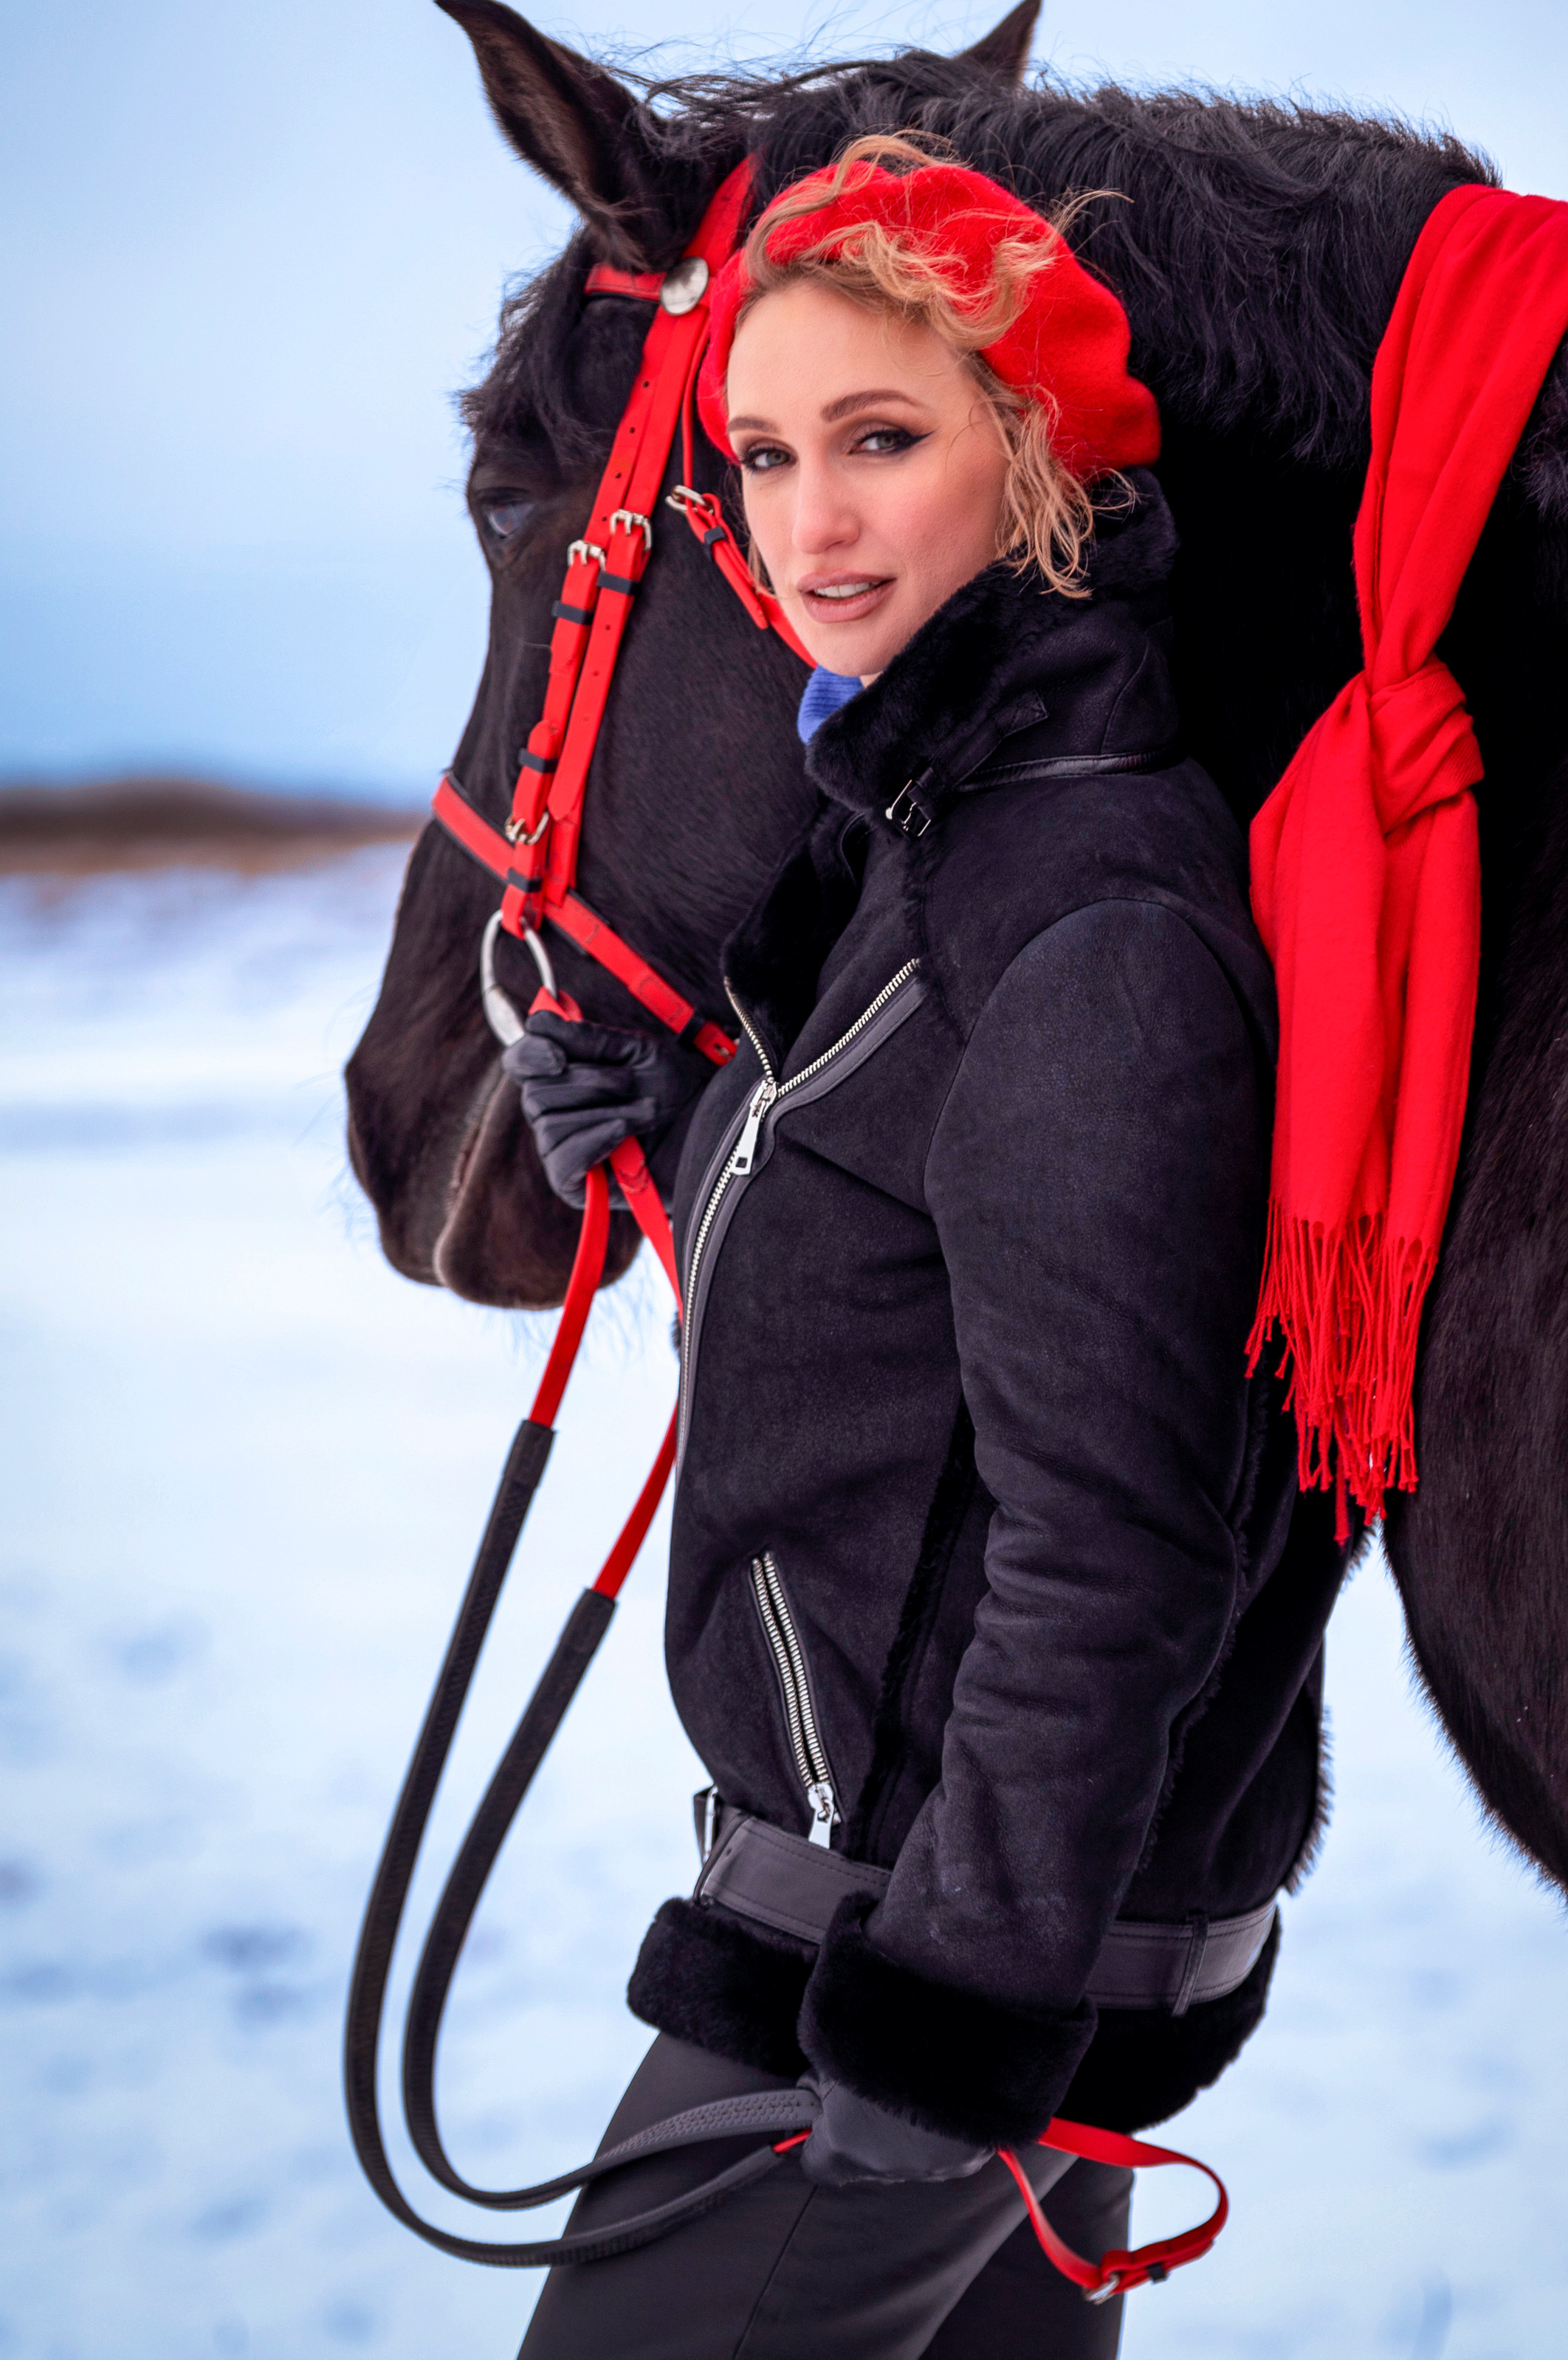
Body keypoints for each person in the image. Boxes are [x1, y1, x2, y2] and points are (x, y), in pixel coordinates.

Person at [500, 141, 1348, 2359]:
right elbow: (919, 1265)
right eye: (764, 456)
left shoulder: (1091, 909)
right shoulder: (938, 836)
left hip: (909, 1963)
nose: (810, 522)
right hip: (948, 1910)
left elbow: (1118, 1534)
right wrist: (676, 1136)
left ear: (1045, 459)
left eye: (883, 441)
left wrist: (945, 2028)